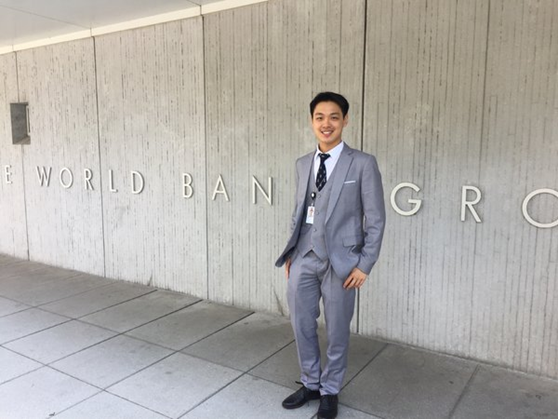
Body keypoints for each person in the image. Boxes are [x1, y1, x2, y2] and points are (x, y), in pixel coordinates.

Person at [275, 92, 386, 419]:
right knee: (301, 324)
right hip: (303, 257)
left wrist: (365, 264)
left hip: (343, 263)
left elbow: (376, 218)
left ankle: (330, 389)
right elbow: (299, 211)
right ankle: (310, 382)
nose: (327, 123)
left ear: (345, 120)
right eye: (320, 117)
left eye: (334, 117)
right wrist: (292, 252)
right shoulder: (302, 164)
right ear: (312, 121)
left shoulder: (362, 163)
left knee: (337, 331)